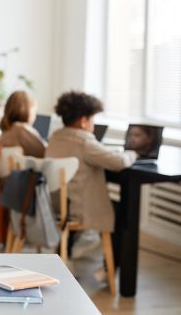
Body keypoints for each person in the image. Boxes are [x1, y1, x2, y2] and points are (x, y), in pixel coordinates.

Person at [45, 91, 137, 260]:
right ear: (83, 121)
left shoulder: (55, 136)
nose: (94, 123)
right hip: (78, 209)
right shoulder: (85, 141)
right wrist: (133, 154)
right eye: (93, 119)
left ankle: (70, 251)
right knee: (122, 211)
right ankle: (109, 264)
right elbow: (118, 162)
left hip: (57, 204)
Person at [0, 90, 46, 157]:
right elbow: (43, 153)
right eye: (34, 111)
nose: (35, 116)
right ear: (27, 110)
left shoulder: (5, 131)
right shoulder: (22, 130)